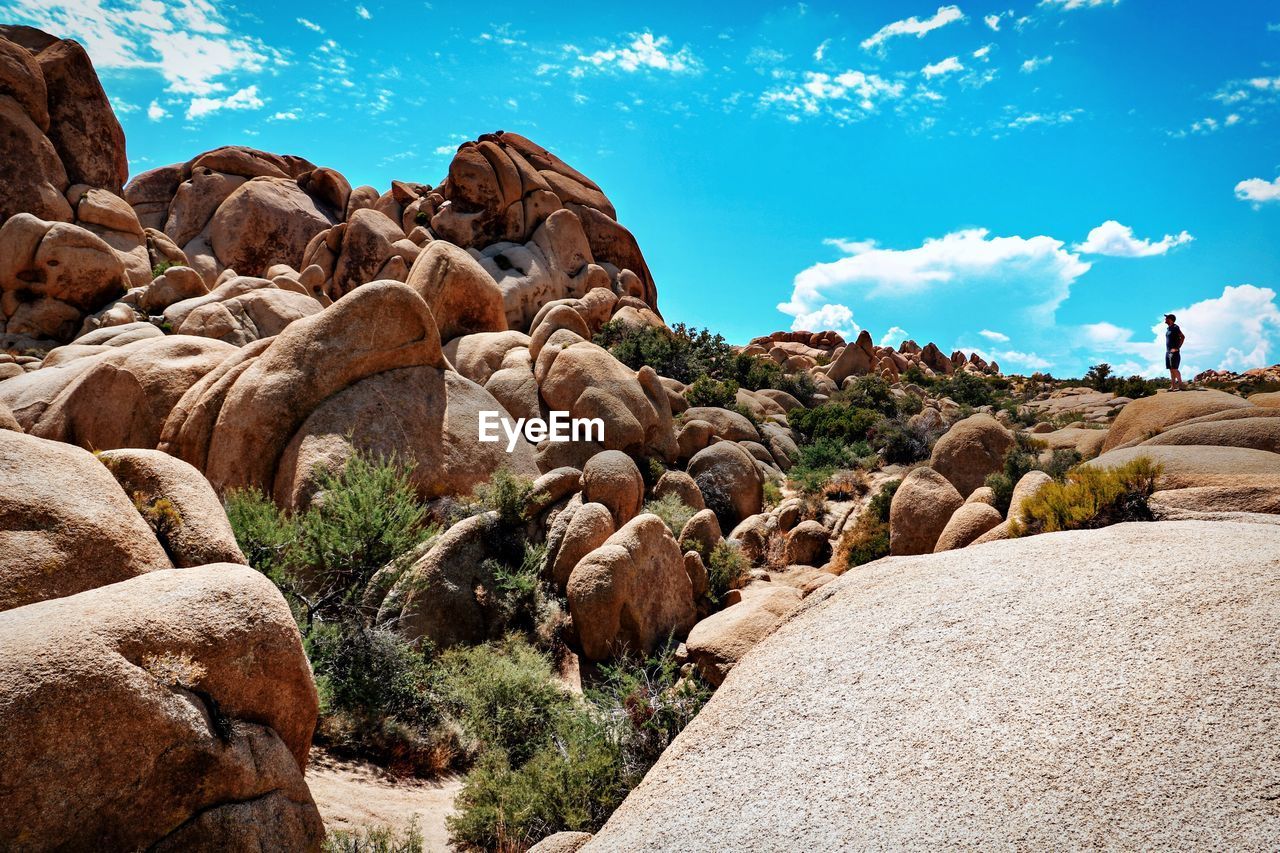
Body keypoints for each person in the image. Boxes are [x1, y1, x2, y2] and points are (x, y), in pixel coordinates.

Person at [1164, 313, 1185, 390]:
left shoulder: (1175, 327)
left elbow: (1182, 337)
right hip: (1168, 351)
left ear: (1170, 319)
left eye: (1166, 318)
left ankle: (1181, 385)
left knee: (1174, 368)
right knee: (1171, 369)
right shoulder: (1168, 329)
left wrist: (1177, 348)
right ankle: (1173, 386)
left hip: (1174, 351)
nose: (1165, 319)